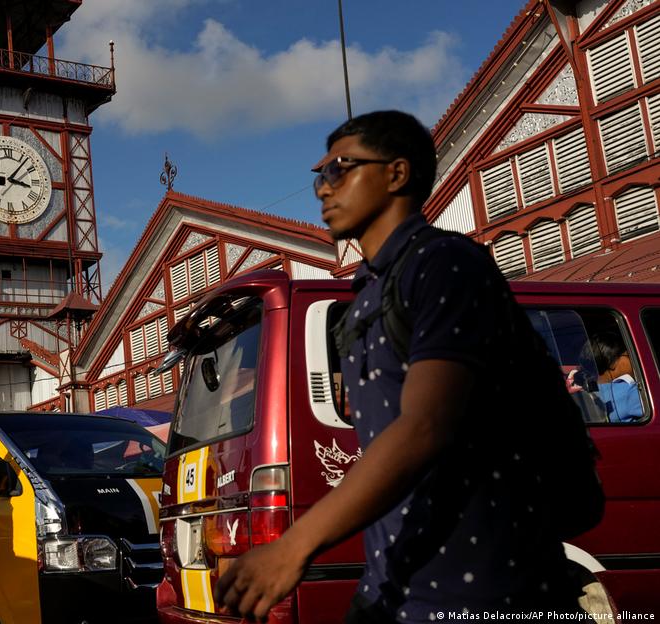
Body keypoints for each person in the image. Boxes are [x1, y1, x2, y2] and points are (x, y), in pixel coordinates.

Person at [214, 111, 582, 622]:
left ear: (397, 173)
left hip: (486, 589)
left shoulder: (446, 265)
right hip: (398, 586)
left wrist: (293, 546)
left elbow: (426, 424)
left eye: (341, 168)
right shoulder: (366, 294)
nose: (323, 188)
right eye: (320, 174)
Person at [584, 331, 644, 423]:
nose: (633, 360)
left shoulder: (588, 392)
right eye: (628, 355)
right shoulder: (630, 391)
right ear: (613, 363)